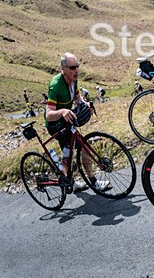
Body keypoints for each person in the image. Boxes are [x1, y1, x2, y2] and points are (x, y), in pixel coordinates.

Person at [45, 53, 109, 191]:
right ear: (63, 68)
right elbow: (49, 115)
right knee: (73, 150)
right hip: (56, 125)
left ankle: (76, 181)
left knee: (82, 147)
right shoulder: (56, 85)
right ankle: (80, 182)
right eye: (73, 67)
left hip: (67, 120)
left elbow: (78, 97)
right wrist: (62, 111)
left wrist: (85, 104)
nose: (77, 70)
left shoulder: (73, 80)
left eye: (77, 66)